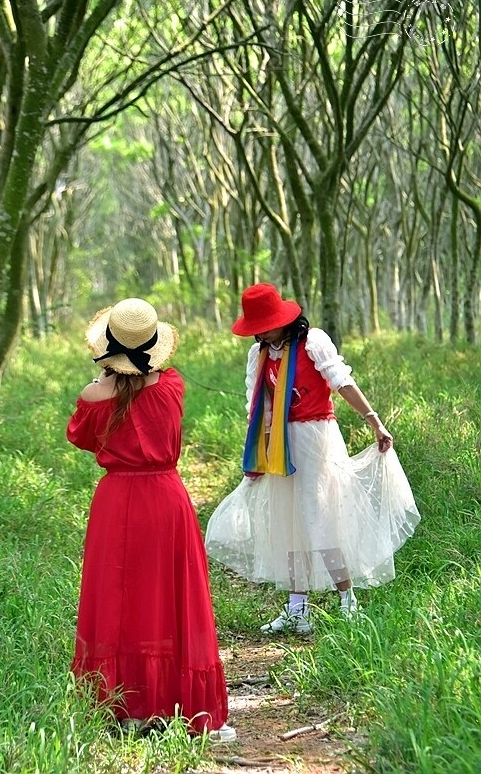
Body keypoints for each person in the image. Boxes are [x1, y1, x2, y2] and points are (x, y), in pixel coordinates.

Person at [205, 283, 420, 634]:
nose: (259, 333)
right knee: (288, 522)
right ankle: (297, 608)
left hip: (315, 439)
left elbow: (342, 382)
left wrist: (374, 420)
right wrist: (258, 452)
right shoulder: (259, 355)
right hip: (279, 445)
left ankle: (347, 600)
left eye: (265, 325)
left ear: (281, 320)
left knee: (320, 517)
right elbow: (257, 406)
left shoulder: (312, 342)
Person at [67, 297, 236, 740]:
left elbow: (81, 437)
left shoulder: (92, 396)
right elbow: (148, 395)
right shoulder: (172, 385)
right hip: (165, 498)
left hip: (116, 500)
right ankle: (177, 705)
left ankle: (123, 707)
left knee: (119, 599)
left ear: (110, 349)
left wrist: (102, 380)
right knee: (169, 595)